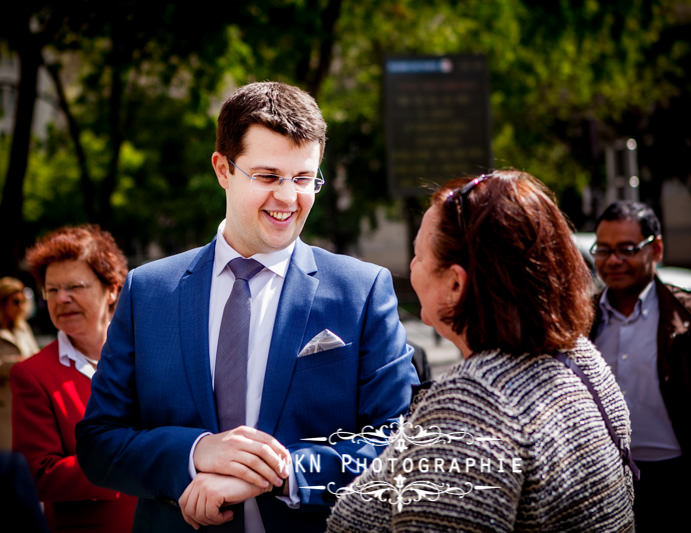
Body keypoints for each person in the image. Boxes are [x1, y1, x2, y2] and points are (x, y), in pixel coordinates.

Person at [76, 81, 418, 532]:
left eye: (303, 178)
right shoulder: (149, 291)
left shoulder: (362, 289)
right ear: (222, 169)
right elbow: (99, 443)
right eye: (268, 176)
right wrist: (195, 453)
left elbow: (401, 442)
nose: (288, 197)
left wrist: (282, 473)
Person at [328, 171, 635, 532]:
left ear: (456, 283)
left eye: (419, 257)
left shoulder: (473, 405)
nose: (412, 268)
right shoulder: (580, 358)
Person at [588, 200, 691, 532]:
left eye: (627, 249)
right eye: (603, 249)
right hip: (607, 483)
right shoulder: (580, 322)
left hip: (684, 483)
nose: (613, 260)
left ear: (657, 249)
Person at [10, 225, 136, 532]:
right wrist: (133, 461)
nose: (62, 298)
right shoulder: (32, 375)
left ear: (113, 289)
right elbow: (39, 475)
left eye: (75, 287)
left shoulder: (151, 356)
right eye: (52, 290)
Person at [0, 276, 40, 449]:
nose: (21, 307)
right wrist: (16, 365)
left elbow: (35, 355)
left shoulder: (22, 327)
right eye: (15, 302)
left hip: (25, 406)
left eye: (23, 301)